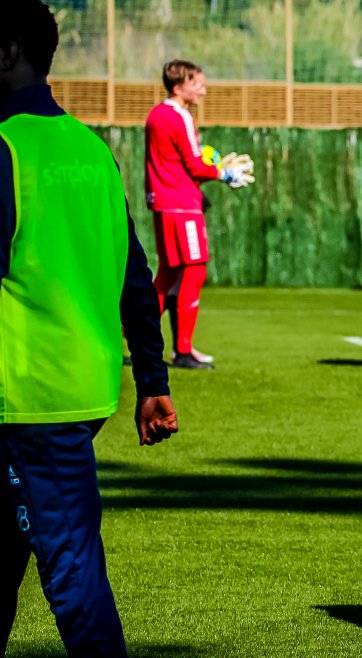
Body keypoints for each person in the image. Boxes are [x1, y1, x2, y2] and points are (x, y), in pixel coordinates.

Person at [0, 2, 179, 655]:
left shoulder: (6, 146)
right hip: (78, 394)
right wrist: (152, 380)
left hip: (26, 404)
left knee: (74, 580)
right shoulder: (92, 150)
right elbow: (135, 276)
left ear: (7, 53)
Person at [145, 59, 254, 370]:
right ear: (179, 86)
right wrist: (225, 174)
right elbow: (194, 165)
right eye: (198, 85)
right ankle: (183, 350)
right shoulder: (179, 117)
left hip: (166, 202)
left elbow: (175, 164)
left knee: (168, 272)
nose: (203, 91)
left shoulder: (156, 114)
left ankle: (135, 329)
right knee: (194, 270)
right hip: (181, 206)